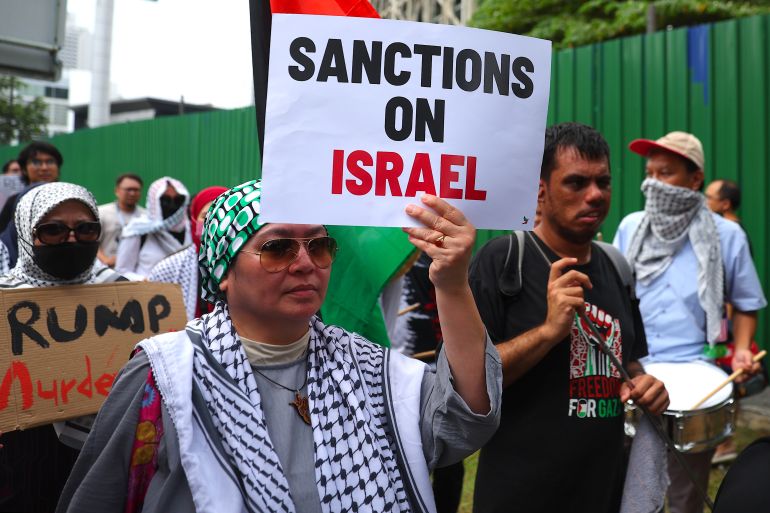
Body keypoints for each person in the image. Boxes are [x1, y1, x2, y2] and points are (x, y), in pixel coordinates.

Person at [57, 179, 501, 513]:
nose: (305, 263)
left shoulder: (367, 367)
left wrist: (452, 283)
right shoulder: (166, 375)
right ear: (224, 271)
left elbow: (462, 421)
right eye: (278, 248)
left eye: (320, 246)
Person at [469, 122, 669, 513]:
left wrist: (645, 385)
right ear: (540, 192)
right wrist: (548, 331)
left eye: (603, 182)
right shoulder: (503, 260)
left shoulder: (617, 266)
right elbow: (469, 382)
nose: (595, 195)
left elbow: (630, 360)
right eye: (576, 183)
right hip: (519, 496)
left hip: (604, 492)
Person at [614, 131, 767, 513]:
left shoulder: (726, 234)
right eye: (649, 173)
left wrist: (744, 349)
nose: (652, 182)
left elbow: (747, 304)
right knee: (626, 487)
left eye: (665, 173)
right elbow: (617, 296)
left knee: (686, 494)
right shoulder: (631, 226)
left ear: (694, 179)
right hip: (634, 368)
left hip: (698, 369)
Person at [0, 182, 125, 512]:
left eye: (86, 229)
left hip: (108, 455)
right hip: (23, 461)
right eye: (53, 230)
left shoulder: (124, 297)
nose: (71, 239)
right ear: (28, 233)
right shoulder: (4, 301)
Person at [148, 185, 228, 320]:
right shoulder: (169, 268)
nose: (213, 222)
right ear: (194, 219)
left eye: (221, 215)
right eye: (205, 216)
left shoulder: (247, 264)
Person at [0, 141, 64, 266]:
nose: (44, 167)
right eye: (36, 162)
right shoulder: (14, 202)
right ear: (24, 169)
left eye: (50, 161)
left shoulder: (70, 199)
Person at [115, 176, 191, 279]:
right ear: (154, 202)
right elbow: (122, 271)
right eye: (165, 200)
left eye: (178, 200)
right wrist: (145, 281)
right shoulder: (138, 230)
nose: (172, 206)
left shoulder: (190, 229)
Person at [97, 174, 146, 267]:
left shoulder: (146, 216)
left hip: (135, 272)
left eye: (136, 190)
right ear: (117, 191)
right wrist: (105, 260)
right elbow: (92, 243)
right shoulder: (101, 213)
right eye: (128, 189)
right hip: (108, 270)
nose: (132, 193)